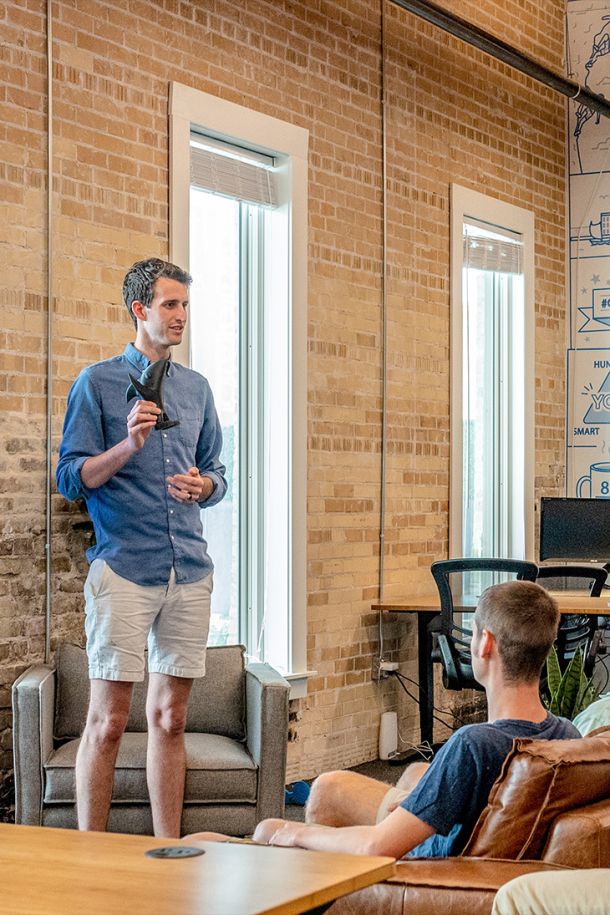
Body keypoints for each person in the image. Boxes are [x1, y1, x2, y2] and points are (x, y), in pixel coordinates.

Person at [56, 257, 226, 837]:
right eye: (170, 304)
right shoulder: (96, 383)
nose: (181, 316)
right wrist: (129, 445)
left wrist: (205, 486)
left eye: (185, 305)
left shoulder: (196, 389)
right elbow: (71, 478)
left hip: (189, 571)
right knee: (107, 723)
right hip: (124, 571)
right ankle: (93, 856)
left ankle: (167, 854)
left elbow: (217, 473)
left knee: (171, 719)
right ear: (139, 309)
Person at [249, 580, 580, 858]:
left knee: (292, 812)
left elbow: (376, 846)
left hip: (428, 860)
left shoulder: (473, 745)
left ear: (486, 644)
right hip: (481, 839)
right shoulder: (567, 734)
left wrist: (293, 833)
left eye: (475, 633)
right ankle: (416, 801)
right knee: (413, 775)